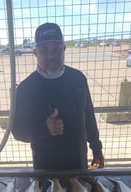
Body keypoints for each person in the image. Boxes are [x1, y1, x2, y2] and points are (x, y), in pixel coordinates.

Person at [12, 22, 104, 170]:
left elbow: (88, 116)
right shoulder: (26, 89)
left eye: (56, 48)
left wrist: (97, 148)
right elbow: (17, 131)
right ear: (35, 53)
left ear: (64, 49)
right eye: (44, 50)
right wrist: (45, 128)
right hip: (45, 168)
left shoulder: (78, 79)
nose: (52, 55)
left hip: (78, 164)